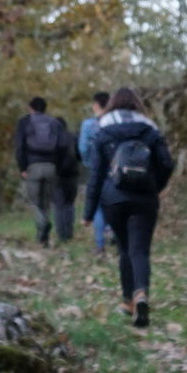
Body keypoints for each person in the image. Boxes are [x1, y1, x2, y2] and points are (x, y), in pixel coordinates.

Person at [83, 87, 174, 327]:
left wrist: (88, 212)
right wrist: (155, 186)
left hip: (114, 199)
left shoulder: (103, 130)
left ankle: (128, 300)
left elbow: (96, 174)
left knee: (124, 248)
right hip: (144, 198)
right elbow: (167, 163)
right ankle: (141, 293)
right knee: (140, 250)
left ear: (112, 104)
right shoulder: (150, 129)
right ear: (137, 105)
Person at [14, 96, 62, 246]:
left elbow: (19, 147)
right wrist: (57, 166)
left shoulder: (24, 122)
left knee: (35, 202)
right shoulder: (54, 123)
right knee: (46, 202)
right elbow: (62, 146)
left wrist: (22, 167)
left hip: (33, 167)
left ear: (31, 108)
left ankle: (43, 223)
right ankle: (43, 239)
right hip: (51, 167)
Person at [78, 91, 110, 255]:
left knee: (98, 205)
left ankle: (100, 244)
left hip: (95, 168)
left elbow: (83, 148)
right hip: (114, 169)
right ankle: (113, 231)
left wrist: (88, 162)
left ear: (96, 105)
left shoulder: (88, 125)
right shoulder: (114, 122)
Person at [52, 117, 80, 243]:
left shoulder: (51, 139)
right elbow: (79, 154)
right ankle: (69, 232)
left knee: (59, 206)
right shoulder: (73, 137)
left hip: (57, 176)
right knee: (69, 204)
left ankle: (61, 235)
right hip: (72, 175)